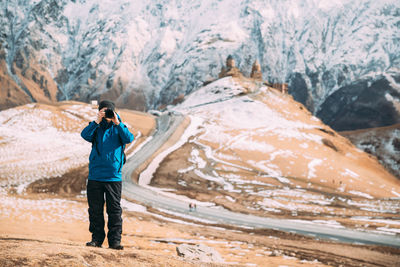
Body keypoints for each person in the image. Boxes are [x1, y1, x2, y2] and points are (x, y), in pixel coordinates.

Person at [81, 100, 134, 250]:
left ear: (114, 112)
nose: (107, 114)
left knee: (114, 210)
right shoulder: (96, 128)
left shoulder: (119, 128)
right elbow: (84, 135)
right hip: (95, 176)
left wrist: (117, 122)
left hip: (113, 177)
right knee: (95, 210)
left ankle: (115, 242)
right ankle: (96, 240)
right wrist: (96, 121)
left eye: (109, 111)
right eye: (104, 111)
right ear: (99, 112)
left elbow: (129, 138)